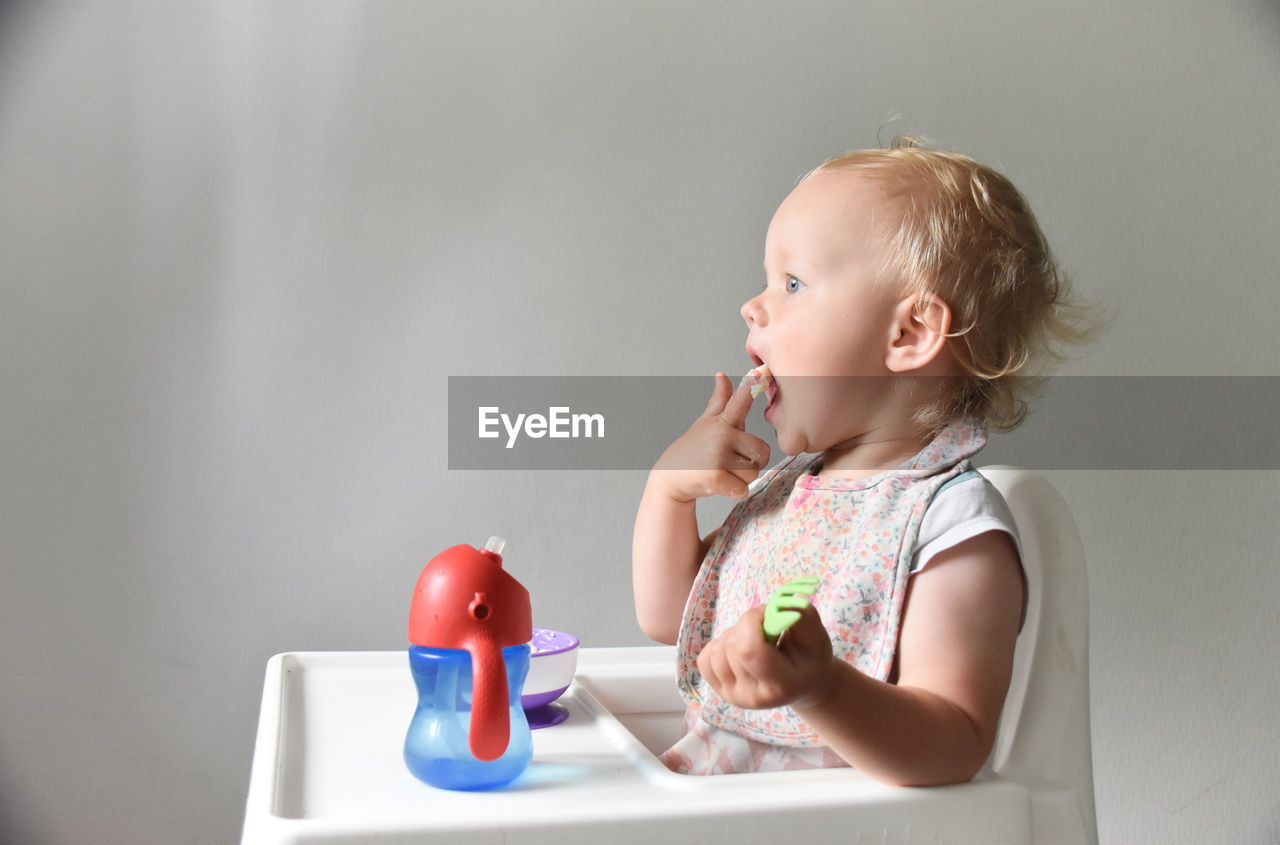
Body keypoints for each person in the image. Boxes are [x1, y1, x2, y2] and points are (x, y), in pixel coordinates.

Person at [631, 137, 1095, 785]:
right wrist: (668, 491)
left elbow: (955, 739)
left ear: (908, 335)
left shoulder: (950, 526)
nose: (753, 306)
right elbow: (669, 615)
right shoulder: (790, 494)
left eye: (792, 282)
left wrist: (823, 688)